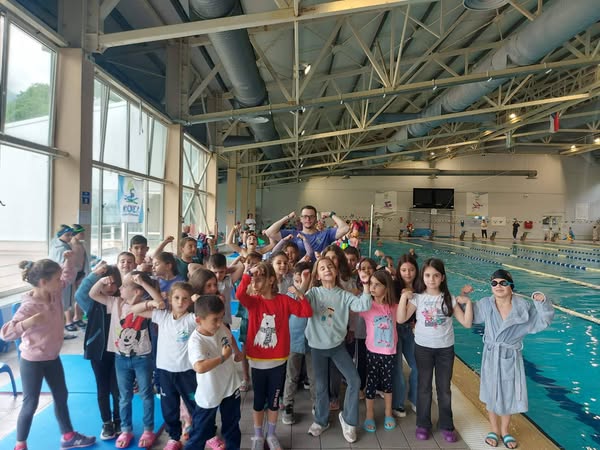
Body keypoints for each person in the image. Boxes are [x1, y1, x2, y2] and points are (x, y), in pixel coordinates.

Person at [0, 256, 96, 450]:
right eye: (56, 279)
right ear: (44, 282)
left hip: (52, 357)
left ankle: (68, 436)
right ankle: (20, 445)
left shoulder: (54, 292)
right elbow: (5, 334)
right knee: (30, 403)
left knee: (61, 395)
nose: (61, 282)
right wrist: (30, 322)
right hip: (32, 361)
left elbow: (67, 276)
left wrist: (68, 261)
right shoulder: (29, 306)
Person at [468, 270, 554, 449]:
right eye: (494, 283)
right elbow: (470, 315)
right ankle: (494, 429)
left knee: (509, 395)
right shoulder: (486, 304)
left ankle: (505, 431)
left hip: (510, 356)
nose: (498, 286)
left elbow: (543, 321)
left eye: (503, 283)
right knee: (491, 394)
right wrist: (463, 299)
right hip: (491, 355)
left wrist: (541, 302)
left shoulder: (523, 307)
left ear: (511, 286)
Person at [236, 262, 313, 450]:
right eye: (253, 279)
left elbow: (306, 312)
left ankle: (271, 434)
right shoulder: (254, 302)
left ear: (271, 280)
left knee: (274, 402)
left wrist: (300, 293)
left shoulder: (283, 300)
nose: (255, 282)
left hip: (278, 361)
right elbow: (239, 295)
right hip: (258, 362)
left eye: (259, 278)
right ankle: (257, 436)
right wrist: (248, 273)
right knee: (258, 402)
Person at [396, 258, 472, 443]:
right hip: (423, 349)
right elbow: (401, 318)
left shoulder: (449, 299)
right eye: (428, 275)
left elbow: (467, 323)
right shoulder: (418, 298)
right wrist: (404, 298)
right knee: (424, 387)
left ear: (442, 278)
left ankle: (446, 425)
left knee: (444, 389)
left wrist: (468, 303)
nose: (431, 279)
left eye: (436, 275)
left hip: (445, 350)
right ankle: (423, 424)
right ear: (423, 277)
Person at [89, 271, 164, 449]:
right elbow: (93, 294)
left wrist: (144, 284)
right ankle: (126, 429)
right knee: (124, 397)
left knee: (146, 394)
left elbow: (160, 303)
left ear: (136, 291)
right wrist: (101, 281)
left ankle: (148, 429)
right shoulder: (115, 303)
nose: (120, 288)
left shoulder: (145, 306)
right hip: (120, 358)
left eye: (124, 285)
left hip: (142, 357)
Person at [304, 257, 372, 444]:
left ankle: (348, 420)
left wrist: (366, 284)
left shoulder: (344, 295)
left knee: (354, 380)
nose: (327, 269)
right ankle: (321, 420)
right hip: (317, 347)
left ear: (336, 272)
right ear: (318, 275)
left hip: (337, 347)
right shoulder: (313, 293)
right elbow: (300, 304)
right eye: (322, 268)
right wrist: (302, 285)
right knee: (321, 386)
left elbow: (363, 305)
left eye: (330, 266)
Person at [129, 282, 199, 450]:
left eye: (185, 299)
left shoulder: (191, 319)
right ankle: (174, 438)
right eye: (177, 298)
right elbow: (134, 310)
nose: (180, 302)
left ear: (190, 301)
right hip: (165, 372)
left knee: (195, 405)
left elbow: (208, 314)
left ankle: (203, 434)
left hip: (187, 372)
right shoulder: (162, 316)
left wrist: (199, 300)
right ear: (170, 299)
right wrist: (152, 303)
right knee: (169, 408)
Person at [184, 295, 242, 450]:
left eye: (221, 318)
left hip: (230, 386)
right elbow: (199, 367)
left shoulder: (220, 327)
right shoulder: (196, 341)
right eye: (215, 320)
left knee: (232, 426)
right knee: (200, 432)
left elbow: (229, 336)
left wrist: (236, 351)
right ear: (199, 320)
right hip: (209, 392)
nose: (219, 323)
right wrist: (223, 357)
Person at [75, 261, 122, 440]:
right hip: (98, 352)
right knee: (102, 389)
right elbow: (80, 294)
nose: (109, 287)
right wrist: (95, 275)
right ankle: (107, 422)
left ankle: (119, 420)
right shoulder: (92, 303)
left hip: (118, 353)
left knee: (117, 390)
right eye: (105, 283)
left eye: (113, 283)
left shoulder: (120, 301)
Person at [360, 270, 398, 433]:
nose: (372, 287)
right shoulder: (366, 306)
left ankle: (388, 413)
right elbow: (351, 307)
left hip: (389, 352)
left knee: (388, 384)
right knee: (371, 384)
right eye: (371, 284)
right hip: (372, 351)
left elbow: (408, 313)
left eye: (377, 285)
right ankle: (369, 415)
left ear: (386, 287)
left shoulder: (394, 307)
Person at [281, 261, 315, 425]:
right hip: (293, 342)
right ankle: (287, 405)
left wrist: (305, 285)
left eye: (304, 280)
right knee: (292, 376)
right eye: (296, 281)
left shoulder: (315, 295)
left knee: (314, 377)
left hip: (313, 342)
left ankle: (317, 404)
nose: (299, 285)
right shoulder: (290, 295)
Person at [392, 254, 419, 418]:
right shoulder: (394, 286)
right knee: (397, 369)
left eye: (411, 270)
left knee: (418, 366)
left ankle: (415, 398)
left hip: (410, 331)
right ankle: (398, 403)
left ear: (416, 270)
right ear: (399, 271)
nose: (407, 273)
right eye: (404, 270)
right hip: (394, 329)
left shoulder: (421, 286)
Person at [265, 206, 349, 258]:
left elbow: (345, 228)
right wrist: (288, 217)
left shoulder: (326, 234)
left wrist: (330, 214)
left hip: (319, 273)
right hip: (298, 274)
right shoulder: (293, 234)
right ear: (300, 219)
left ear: (316, 219)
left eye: (311, 216)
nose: (308, 219)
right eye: (305, 216)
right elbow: (269, 232)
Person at [49, 224, 78, 336]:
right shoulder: (61, 249)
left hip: (61, 279)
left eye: (71, 235)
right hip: (61, 280)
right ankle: (61, 328)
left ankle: (61, 328)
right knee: (62, 303)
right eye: (67, 235)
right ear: (60, 235)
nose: (70, 237)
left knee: (64, 303)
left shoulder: (59, 245)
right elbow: (63, 268)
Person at [69, 224, 88, 328]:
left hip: (81, 272)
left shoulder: (81, 244)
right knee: (72, 297)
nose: (83, 235)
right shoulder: (69, 245)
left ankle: (78, 317)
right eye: (81, 233)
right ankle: (71, 319)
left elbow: (85, 259)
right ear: (75, 234)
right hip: (72, 273)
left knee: (80, 296)